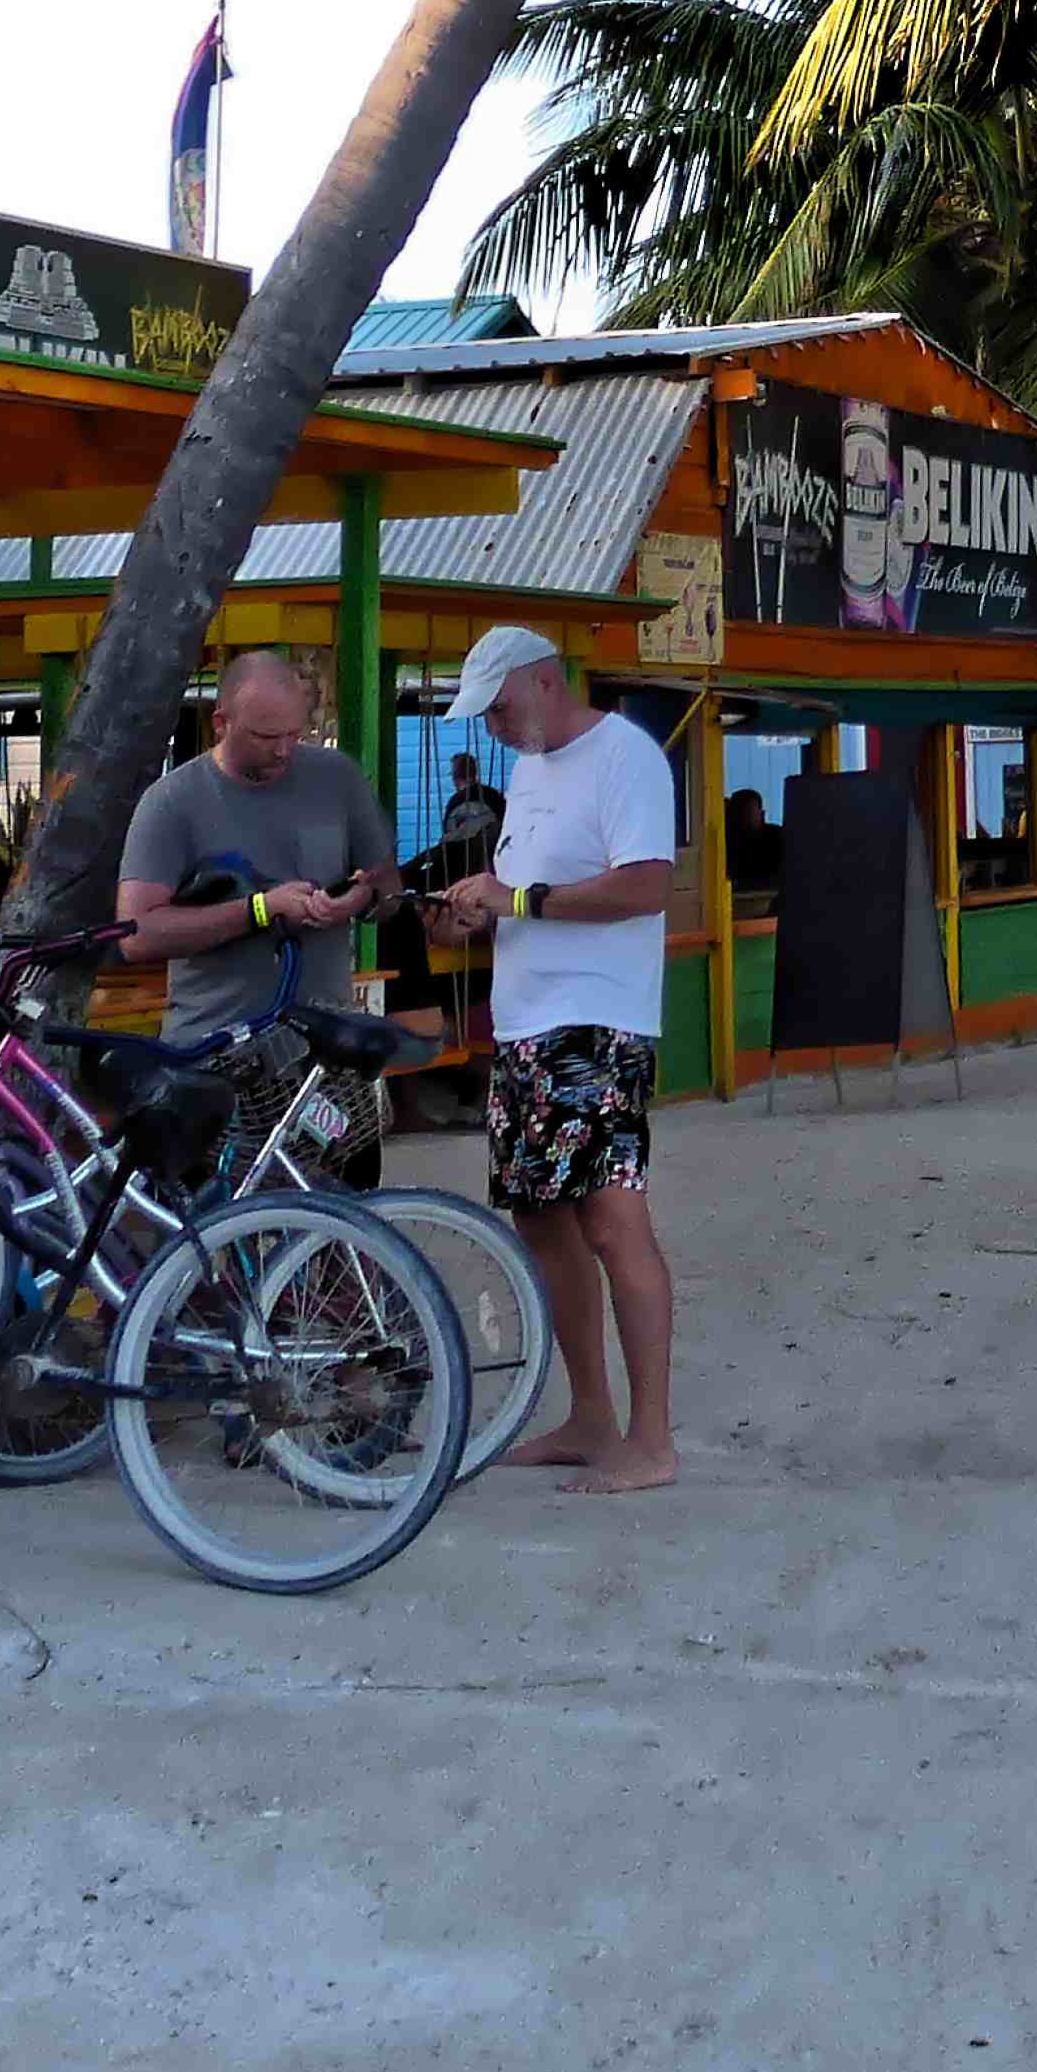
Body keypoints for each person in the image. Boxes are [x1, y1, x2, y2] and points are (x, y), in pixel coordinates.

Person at [421, 622, 683, 1490]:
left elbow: (648, 885)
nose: (491, 727)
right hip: (525, 1026)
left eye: (498, 707)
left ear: (543, 681)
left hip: (596, 1025)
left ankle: (651, 1441)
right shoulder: (529, 769)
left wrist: (519, 900)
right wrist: (474, 916)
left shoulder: (625, 757)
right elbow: (528, 898)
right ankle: (591, 1416)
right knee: (541, 1222)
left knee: (612, 1222)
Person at [117, 647, 410, 1184]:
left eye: (295, 735)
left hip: (324, 1063)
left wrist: (360, 900)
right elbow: (136, 934)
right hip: (215, 1061)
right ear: (221, 723)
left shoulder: (336, 778)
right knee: (221, 1224)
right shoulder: (172, 802)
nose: (283, 751)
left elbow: (389, 890)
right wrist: (260, 910)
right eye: (265, 737)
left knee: (348, 1219)